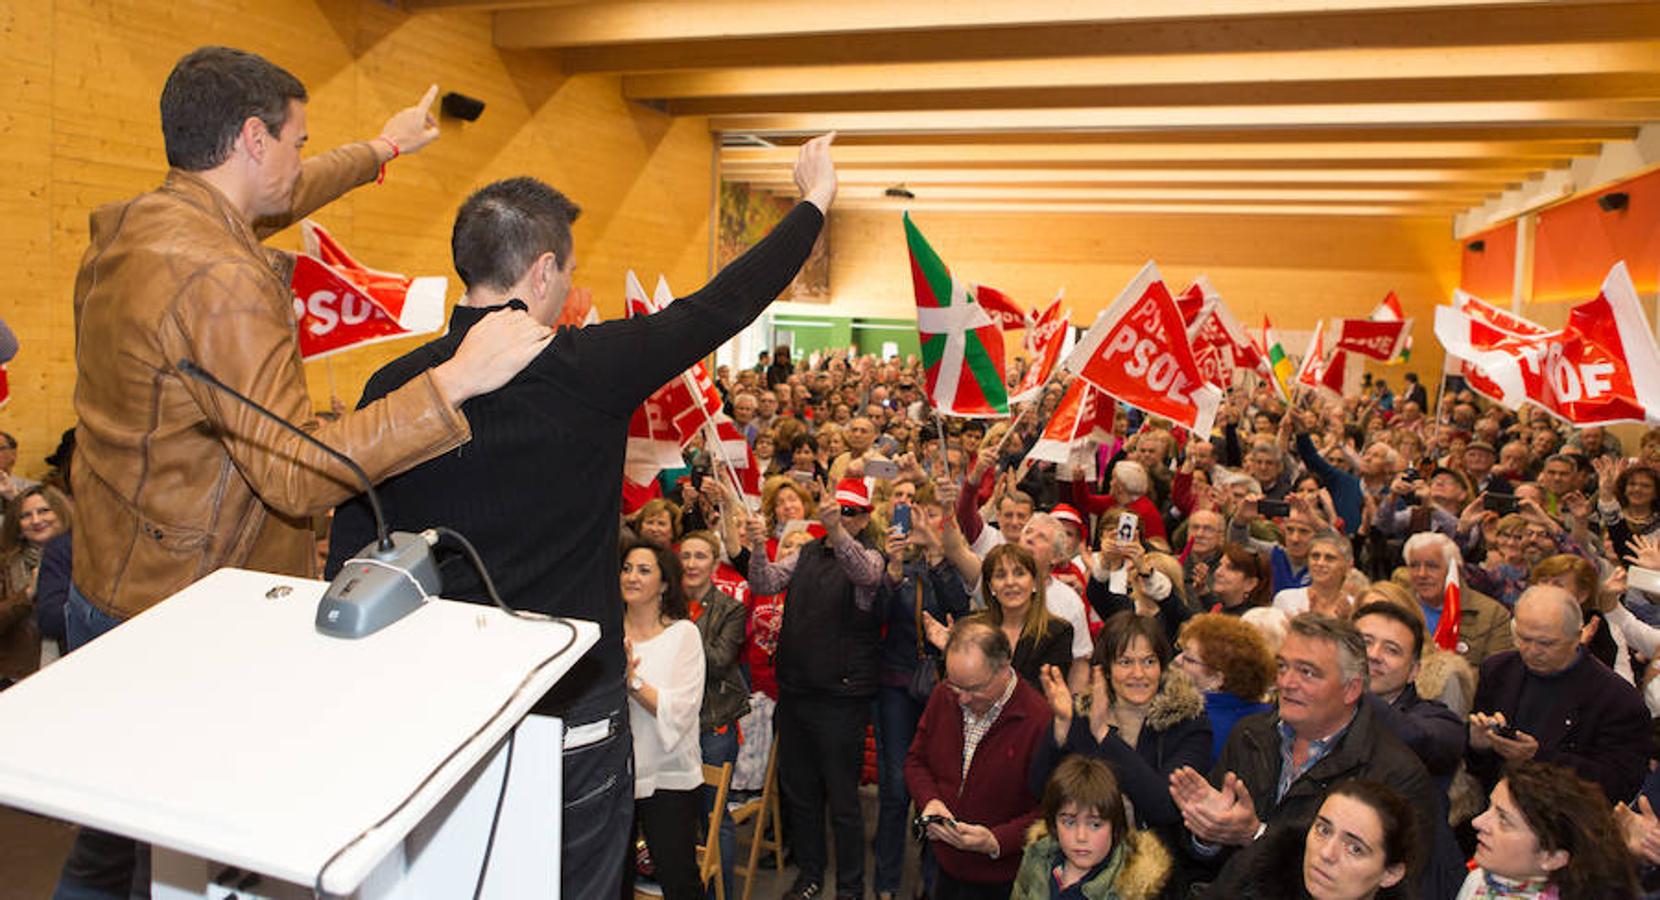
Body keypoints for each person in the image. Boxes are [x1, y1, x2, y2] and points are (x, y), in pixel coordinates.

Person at [61, 46, 553, 900]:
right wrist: (454, 381)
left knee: (107, 841)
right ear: (253, 139)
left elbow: (285, 193)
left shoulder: (145, 224)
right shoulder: (221, 278)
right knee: (184, 861)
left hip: (109, 580)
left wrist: (384, 149)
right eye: (297, 140)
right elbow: (297, 473)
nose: (300, 158)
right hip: (183, 617)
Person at [328, 133, 837, 899]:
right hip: (571, 710)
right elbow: (722, 304)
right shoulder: (588, 367)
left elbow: (351, 555)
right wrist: (814, 202)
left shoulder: (396, 387)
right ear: (541, 272)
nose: (567, 288)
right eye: (565, 272)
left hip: (439, 707)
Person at [1167, 614, 1458, 899]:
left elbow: (1393, 888)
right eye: (1283, 666)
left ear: (1351, 689)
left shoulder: (1395, 774)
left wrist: (1256, 835)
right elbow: (1202, 862)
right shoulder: (1250, 735)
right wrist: (1207, 834)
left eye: (1307, 672)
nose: (1287, 682)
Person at [747, 477, 884, 900]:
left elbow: (863, 573)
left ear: (864, 519)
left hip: (840, 700)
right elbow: (765, 582)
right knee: (801, 795)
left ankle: (850, 888)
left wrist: (837, 530)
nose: (840, 517)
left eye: (850, 512)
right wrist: (757, 546)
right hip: (796, 692)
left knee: (843, 801)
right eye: (837, 510)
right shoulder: (806, 552)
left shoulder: (872, 556)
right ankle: (809, 876)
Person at [906, 618, 1052, 899]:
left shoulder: (1039, 721)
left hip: (1003, 878)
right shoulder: (943, 695)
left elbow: (1050, 811)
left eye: (973, 689)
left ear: (1004, 669)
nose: (962, 699)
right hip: (942, 865)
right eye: (955, 685)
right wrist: (930, 800)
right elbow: (916, 760)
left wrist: (997, 841)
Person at [873, 483, 971, 900]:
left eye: (931, 514)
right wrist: (893, 569)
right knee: (896, 789)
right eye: (916, 513)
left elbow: (960, 609)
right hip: (895, 684)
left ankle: (932, 883)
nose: (920, 522)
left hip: (943, 687)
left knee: (939, 789)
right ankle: (886, 883)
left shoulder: (949, 564)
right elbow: (873, 617)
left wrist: (934, 552)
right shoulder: (888, 560)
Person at [1467, 585, 1650, 804]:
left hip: (1570, 817)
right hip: (1496, 806)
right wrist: (1477, 744)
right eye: (1523, 639)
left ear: (1577, 637)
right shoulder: (1498, 671)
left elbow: (1618, 785)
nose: (1532, 651)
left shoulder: (1617, 699)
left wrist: (1539, 758)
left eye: (1546, 643)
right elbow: (1478, 770)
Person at [1035, 613, 1213, 834]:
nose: (1138, 674)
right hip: (1081, 843)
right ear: (1107, 670)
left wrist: (1103, 734)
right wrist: (1061, 726)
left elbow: (1164, 808)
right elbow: (1040, 790)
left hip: (1156, 850)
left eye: (1149, 662)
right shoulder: (1082, 713)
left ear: (1162, 667)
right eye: (1125, 662)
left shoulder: (1188, 722)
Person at [619, 540, 705, 900]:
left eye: (643, 570)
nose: (631, 577)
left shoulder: (683, 634)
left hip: (669, 777)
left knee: (678, 880)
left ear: (665, 583)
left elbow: (681, 710)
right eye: (626, 568)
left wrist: (632, 682)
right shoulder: (607, 633)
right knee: (614, 881)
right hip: (616, 776)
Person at [1203, 779, 1419, 900]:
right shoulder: (1258, 873)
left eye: (1355, 849)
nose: (1326, 854)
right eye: (1323, 830)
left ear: (1390, 874)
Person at [678, 530, 748, 900]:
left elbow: (719, 662)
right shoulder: (666, 604)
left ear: (714, 564)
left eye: (700, 556)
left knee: (713, 817)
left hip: (712, 724)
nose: (691, 564)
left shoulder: (730, 609)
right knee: (677, 817)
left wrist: (679, 630)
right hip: (673, 724)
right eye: (686, 556)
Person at [1462, 760, 1638, 899]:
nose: (1478, 822)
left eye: (1504, 820)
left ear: (1552, 857)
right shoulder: (1479, 880)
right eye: (1490, 807)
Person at [1011, 756, 1174, 900]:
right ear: (1053, 824)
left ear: (1115, 827)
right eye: (1069, 823)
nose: (1081, 837)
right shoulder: (1037, 858)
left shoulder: (1132, 889)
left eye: (1095, 825)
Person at [1171, 613, 1276, 765]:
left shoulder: (1195, 722)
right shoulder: (1271, 716)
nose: (1177, 660)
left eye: (1189, 659)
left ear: (1217, 679)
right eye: (1181, 652)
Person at [1401, 532, 1512, 670]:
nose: (1422, 574)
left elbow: (1498, 674)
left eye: (1432, 566)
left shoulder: (1493, 615)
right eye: (1414, 566)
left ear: (1455, 570)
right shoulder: (1397, 607)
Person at [0, 486, 73, 685]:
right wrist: (27, 593)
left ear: (62, 513)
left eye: (44, 511)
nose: (36, 520)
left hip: (75, 664)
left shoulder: (84, 557)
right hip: (17, 677)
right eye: (26, 515)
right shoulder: (5, 565)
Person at [1274, 530, 1357, 619]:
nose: (1320, 563)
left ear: (1348, 566)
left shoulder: (1354, 607)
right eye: (1315, 556)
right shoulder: (1287, 599)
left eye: (1329, 558)